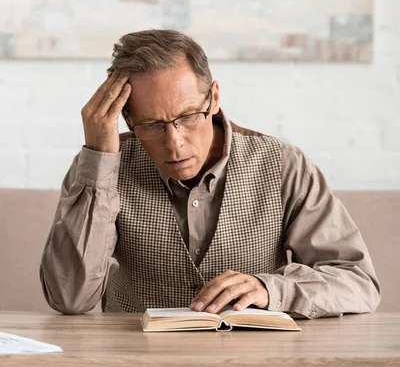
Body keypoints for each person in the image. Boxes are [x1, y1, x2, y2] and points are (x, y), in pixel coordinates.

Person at [40, 29, 380, 318]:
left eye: (188, 116)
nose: (174, 143)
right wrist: (99, 158)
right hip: (135, 357)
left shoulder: (283, 166)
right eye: (152, 124)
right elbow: (70, 299)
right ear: (127, 119)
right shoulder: (98, 169)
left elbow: (357, 282)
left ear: (213, 97)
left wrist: (271, 289)